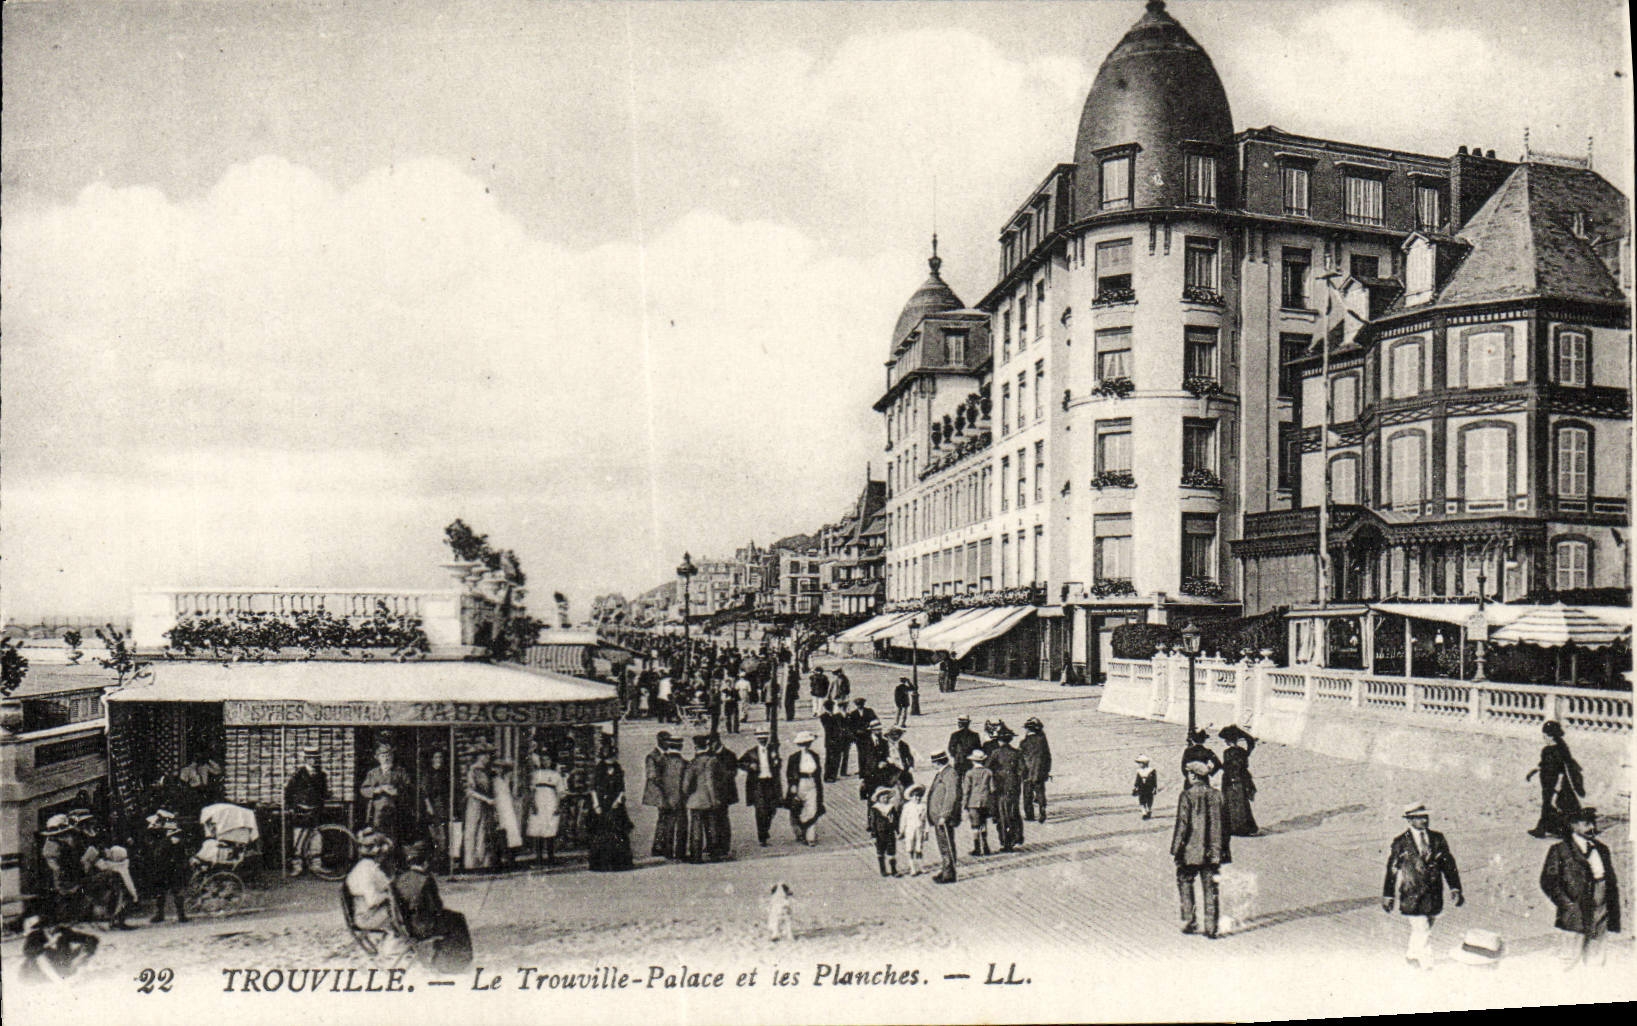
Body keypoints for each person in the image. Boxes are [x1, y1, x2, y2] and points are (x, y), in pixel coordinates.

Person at [1381, 802, 1463, 969]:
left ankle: (1411, 955)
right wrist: (1388, 894)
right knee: (1423, 928)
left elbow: (1448, 864)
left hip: (1433, 894)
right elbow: (1392, 869)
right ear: (1410, 821)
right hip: (1411, 894)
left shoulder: (1437, 838)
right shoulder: (1400, 842)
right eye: (1419, 818)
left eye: (1425, 817)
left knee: (1425, 928)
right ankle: (1427, 964)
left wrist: (1455, 888)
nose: (1424, 821)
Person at [1540, 807, 1621, 968]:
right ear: (1573, 826)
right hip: (1576, 910)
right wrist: (1568, 905)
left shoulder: (1602, 849)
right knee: (1569, 958)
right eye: (1586, 824)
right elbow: (1548, 882)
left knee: (1596, 956)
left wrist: (1611, 909)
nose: (1591, 827)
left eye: (1592, 823)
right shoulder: (1560, 850)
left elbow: (1611, 881)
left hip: (1602, 907)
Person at [1172, 760, 1232, 939]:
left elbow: (1182, 825)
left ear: (1193, 775)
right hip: (1213, 851)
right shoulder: (1217, 795)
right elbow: (1226, 826)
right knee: (1211, 886)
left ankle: (1190, 921)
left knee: (1185, 881)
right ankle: (1211, 927)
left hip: (1191, 850)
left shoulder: (1187, 795)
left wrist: (1176, 849)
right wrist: (1221, 849)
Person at [344, 828, 408, 959]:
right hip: (367, 917)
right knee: (405, 911)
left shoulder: (366, 866)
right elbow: (372, 900)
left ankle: (397, 941)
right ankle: (395, 945)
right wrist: (389, 896)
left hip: (369, 912)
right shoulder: (367, 870)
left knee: (403, 906)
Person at [1527, 720, 1585, 839]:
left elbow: (1563, 770)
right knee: (1548, 805)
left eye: (1545, 735)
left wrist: (1558, 786)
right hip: (1547, 783)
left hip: (1555, 783)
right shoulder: (1547, 750)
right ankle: (1547, 829)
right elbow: (1543, 763)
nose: (1544, 738)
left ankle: (1547, 829)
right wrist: (1533, 771)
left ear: (1551, 736)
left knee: (1553, 806)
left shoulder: (1559, 751)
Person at [587, 745, 635, 872]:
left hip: (615, 804)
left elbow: (622, 788)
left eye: (613, 757)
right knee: (601, 833)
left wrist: (618, 801)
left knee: (618, 832)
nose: (611, 760)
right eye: (609, 758)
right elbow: (593, 789)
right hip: (601, 804)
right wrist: (596, 804)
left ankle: (619, 863)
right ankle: (600, 863)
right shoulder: (598, 770)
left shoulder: (618, 769)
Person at [284, 745, 329, 876]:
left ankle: (316, 865)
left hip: (316, 810)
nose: (313, 761)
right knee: (299, 837)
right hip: (301, 810)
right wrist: (291, 807)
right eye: (310, 758)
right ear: (305, 759)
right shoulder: (298, 774)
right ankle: (297, 866)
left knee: (316, 837)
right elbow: (289, 792)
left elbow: (323, 792)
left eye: (315, 758)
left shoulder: (322, 775)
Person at [20, 915, 99, 984]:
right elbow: (27, 951)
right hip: (45, 972)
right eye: (47, 926)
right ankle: (60, 981)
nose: (51, 929)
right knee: (39, 956)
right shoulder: (35, 935)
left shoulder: (62, 932)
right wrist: (48, 944)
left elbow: (91, 939)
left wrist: (81, 957)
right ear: (42, 928)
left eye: (54, 925)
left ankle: (72, 974)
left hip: (65, 967)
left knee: (85, 948)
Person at [360, 741, 413, 842]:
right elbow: (363, 790)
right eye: (383, 756)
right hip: (377, 811)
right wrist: (377, 789)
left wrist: (397, 791)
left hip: (396, 810)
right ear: (378, 758)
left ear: (392, 757)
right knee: (377, 836)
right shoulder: (373, 773)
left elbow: (409, 788)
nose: (386, 758)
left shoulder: (400, 772)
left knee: (395, 837)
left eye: (388, 755)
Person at [739, 727, 784, 846]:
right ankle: (762, 836)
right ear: (757, 739)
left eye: (764, 738)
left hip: (770, 782)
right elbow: (740, 763)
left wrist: (778, 762)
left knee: (771, 809)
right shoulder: (751, 752)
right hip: (758, 783)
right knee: (760, 810)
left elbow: (778, 764)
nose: (763, 740)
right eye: (760, 738)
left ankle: (765, 829)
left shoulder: (772, 750)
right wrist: (749, 766)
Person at [39, 815, 86, 925]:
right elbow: (52, 862)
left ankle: (73, 916)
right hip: (60, 873)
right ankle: (64, 918)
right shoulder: (51, 844)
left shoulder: (65, 840)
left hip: (69, 871)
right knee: (64, 894)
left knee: (74, 891)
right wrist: (60, 870)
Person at [145, 810, 190, 924]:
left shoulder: (174, 834)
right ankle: (160, 914)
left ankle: (181, 914)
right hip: (163, 866)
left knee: (176, 890)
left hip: (173, 866)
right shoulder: (162, 833)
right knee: (161, 891)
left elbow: (176, 850)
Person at [682, 735, 721, 863]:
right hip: (709, 799)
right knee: (712, 827)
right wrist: (714, 799)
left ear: (695, 747)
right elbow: (711, 782)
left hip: (695, 800)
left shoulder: (692, 763)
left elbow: (686, 784)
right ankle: (714, 854)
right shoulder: (712, 761)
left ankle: (696, 855)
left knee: (696, 828)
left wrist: (687, 795)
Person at [925, 750, 961, 884]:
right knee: (943, 844)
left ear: (937, 762)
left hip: (943, 818)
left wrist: (944, 815)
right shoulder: (943, 773)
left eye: (934, 762)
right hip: (938, 817)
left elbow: (951, 796)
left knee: (947, 845)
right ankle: (946, 869)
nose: (933, 765)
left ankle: (949, 873)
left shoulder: (950, 774)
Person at [987, 725, 1025, 851]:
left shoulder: (996, 753)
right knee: (1014, 811)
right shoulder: (1017, 753)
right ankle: (1017, 836)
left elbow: (988, 768)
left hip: (1001, 787)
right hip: (1014, 786)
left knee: (1003, 814)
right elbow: (1022, 770)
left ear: (999, 740)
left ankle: (1006, 842)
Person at [785, 731, 825, 846]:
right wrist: (792, 785)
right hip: (800, 784)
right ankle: (801, 832)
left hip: (812, 783)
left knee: (812, 809)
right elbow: (790, 773)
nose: (805, 746)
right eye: (803, 743)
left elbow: (818, 772)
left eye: (808, 743)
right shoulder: (794, 758)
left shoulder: (814, 756)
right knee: (799, 809)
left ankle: (810, 837)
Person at [525, 752, 565, 866]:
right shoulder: (536, 774)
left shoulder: (556, 775)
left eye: (548, 760)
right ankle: (539, 858)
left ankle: (551, 857)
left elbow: (559, 792)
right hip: (539, 802)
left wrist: (557, 806)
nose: (545, 762)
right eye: (543, 760)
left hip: (551, 802)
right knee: (538, 829)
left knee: (550, 829)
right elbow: (532, 791)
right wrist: (533, 804)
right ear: (540, 761)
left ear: (551, 761)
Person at [461, 745, 497, 871]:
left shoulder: (487, 771)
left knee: (483, 831)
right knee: (472, 831)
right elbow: (470, 791)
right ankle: (470, 863)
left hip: (485, 805)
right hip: (474, 804)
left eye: (488, 755)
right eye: (485, 755)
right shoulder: (473, 770)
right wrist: (486, 799)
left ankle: (482, 861)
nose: (487, 757)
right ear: (480, 756)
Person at [1219, 726, 1259, 837]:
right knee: (1242, 803)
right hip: (1243, 779)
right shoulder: (1243, 751)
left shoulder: (1228, 752)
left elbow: (1230, 766)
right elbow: (1250, 743)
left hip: (1231, 779)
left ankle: (1234, 828)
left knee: (1232, 803)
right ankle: (1246, 827)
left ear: (1228, 741)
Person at [711, 735, 741, 859]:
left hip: (724, 792)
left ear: (718, 742)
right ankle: (713, 844)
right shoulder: (709, 754)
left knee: (722, 818)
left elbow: (733, 773)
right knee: (713, 819)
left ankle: (724, 846)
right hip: (712, 792)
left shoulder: (729, 755)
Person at [643, 731, 672, 856]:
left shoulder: (666, 755)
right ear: (660, 741)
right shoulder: (652, 756)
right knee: (663, 818)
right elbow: (652, 776)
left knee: (664, 818)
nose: (668, 743)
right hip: (659, 793)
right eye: (666, 740)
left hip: (665, 792)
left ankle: (661, 844)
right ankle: (659, 846)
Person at [491, 758, 524, 867]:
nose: (499, 770)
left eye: (501, 768)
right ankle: (499, 859)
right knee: (501, 832)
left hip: (508, 807)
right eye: (497, 768)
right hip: (500, 807)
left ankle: (511, 858)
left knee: (512, 833)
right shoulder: (494, 781)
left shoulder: (505, 780)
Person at [1019, 717, 1053, 824]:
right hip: (1040, 772)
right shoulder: (1042, 741)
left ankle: (1030, 815)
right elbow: (1048, 757)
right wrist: (1047, 770)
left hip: (1028, 773)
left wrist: (1020, 771)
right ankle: (1042, 808)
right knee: (1040, 791)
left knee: (1027, 794)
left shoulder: (1024, 742)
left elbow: (1020, 758)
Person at [962, 749, 994, 856]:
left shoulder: (969, 773)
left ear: (973, 761)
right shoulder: (988, 772)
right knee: (983, 823)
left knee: (975, 826)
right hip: (985, 801)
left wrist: (964, 804)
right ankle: (985, 846)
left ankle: (977, 847)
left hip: (973, 802)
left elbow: (966, 790)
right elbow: (992, 788)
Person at [868, 786, 902, 878]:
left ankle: (893, 870)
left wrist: (898, 831)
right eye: (883, 797)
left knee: (891, 851)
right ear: (879, 798)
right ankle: (883, 870)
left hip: (890, 832)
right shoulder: (875, 809)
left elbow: (896, 820)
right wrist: (874, 834)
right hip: (880, 833)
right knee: (880, 851)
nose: (885, 799)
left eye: (887, 797)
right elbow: (872, 822)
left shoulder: (891, 808)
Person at [898, 783, 929, 877]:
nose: (917, 798)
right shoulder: (907, 806)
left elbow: (926, 820)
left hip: (920, 829)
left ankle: (921, 866)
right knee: (910, 848)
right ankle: (912, 868)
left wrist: (926, 831)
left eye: (919, 796)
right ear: (911, 797)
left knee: (919, 848)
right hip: (910, 830)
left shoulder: (923, 806)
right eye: (915, 796)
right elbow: (903, 819)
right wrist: (901, 831)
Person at [819, 700, 844, 782]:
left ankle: (833, 775)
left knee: (836, 758)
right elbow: (828, 728)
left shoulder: (836, 716)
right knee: (829, 759)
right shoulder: (824, 717)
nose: (831, 709)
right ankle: (828, 776)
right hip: (830, 740)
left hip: (837, 740)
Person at [1133, 755, 1159, 819]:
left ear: (1145, 763)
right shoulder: (1139, 771)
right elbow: (1137, 779)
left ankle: (1149, 810)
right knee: (1141, 800)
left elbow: (1154, 780)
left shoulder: (1151, 771)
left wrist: (1155, 787)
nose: (1139, 765)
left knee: (1149, 799)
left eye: (1140, 763)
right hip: (1141, 787)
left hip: (1149, 787)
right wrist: (1136, 786)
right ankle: (1144, 812)